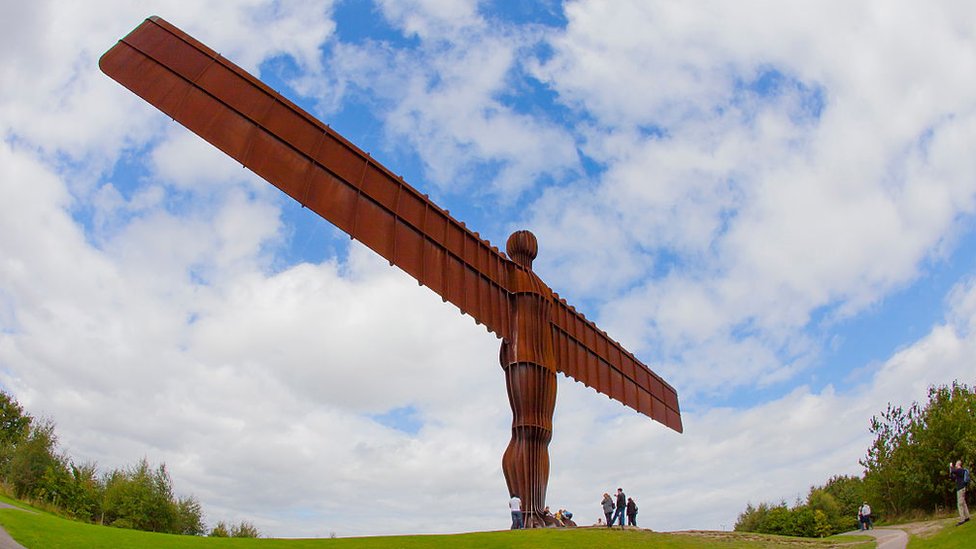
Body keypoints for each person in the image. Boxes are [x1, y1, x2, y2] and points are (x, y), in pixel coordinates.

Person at [950, 460, 971, 526]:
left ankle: (962, 519)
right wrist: (951, 472)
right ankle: (967, 517)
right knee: (963, 503)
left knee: (960, 504)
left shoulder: (959, 470)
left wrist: (951, 466)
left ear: (958, 464)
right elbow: (952, 477)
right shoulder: (961, 471)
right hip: (963, 488)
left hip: (960, 489)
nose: (955, 465)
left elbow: (953, 470)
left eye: (956, 464)